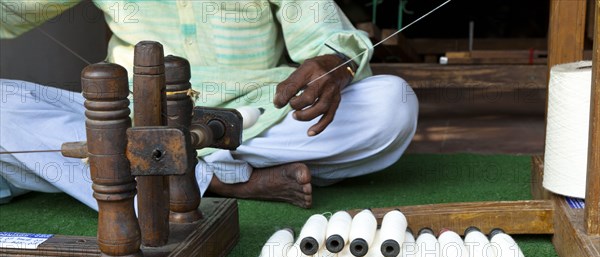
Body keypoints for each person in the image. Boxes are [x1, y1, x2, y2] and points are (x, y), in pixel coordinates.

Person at [0, 0, 418, 209]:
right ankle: (216, 183)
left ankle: (173, 176)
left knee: (391, 105)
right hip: (129, 122)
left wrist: (335, 66)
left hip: (255, 118)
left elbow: (327, 37)